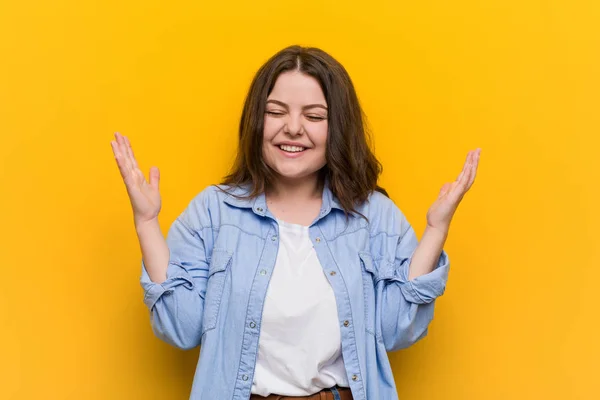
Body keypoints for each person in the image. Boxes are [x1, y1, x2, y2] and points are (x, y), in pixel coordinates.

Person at [111, 45, 481, 400]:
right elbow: (181, 328)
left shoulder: (374, 217)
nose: (292, 128)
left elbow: (397, 329)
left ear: (338, 128)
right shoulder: (213, 213)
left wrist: (435, 231)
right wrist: (146, 222)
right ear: (257, 121)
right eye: (276, 112)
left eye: (314, 116)